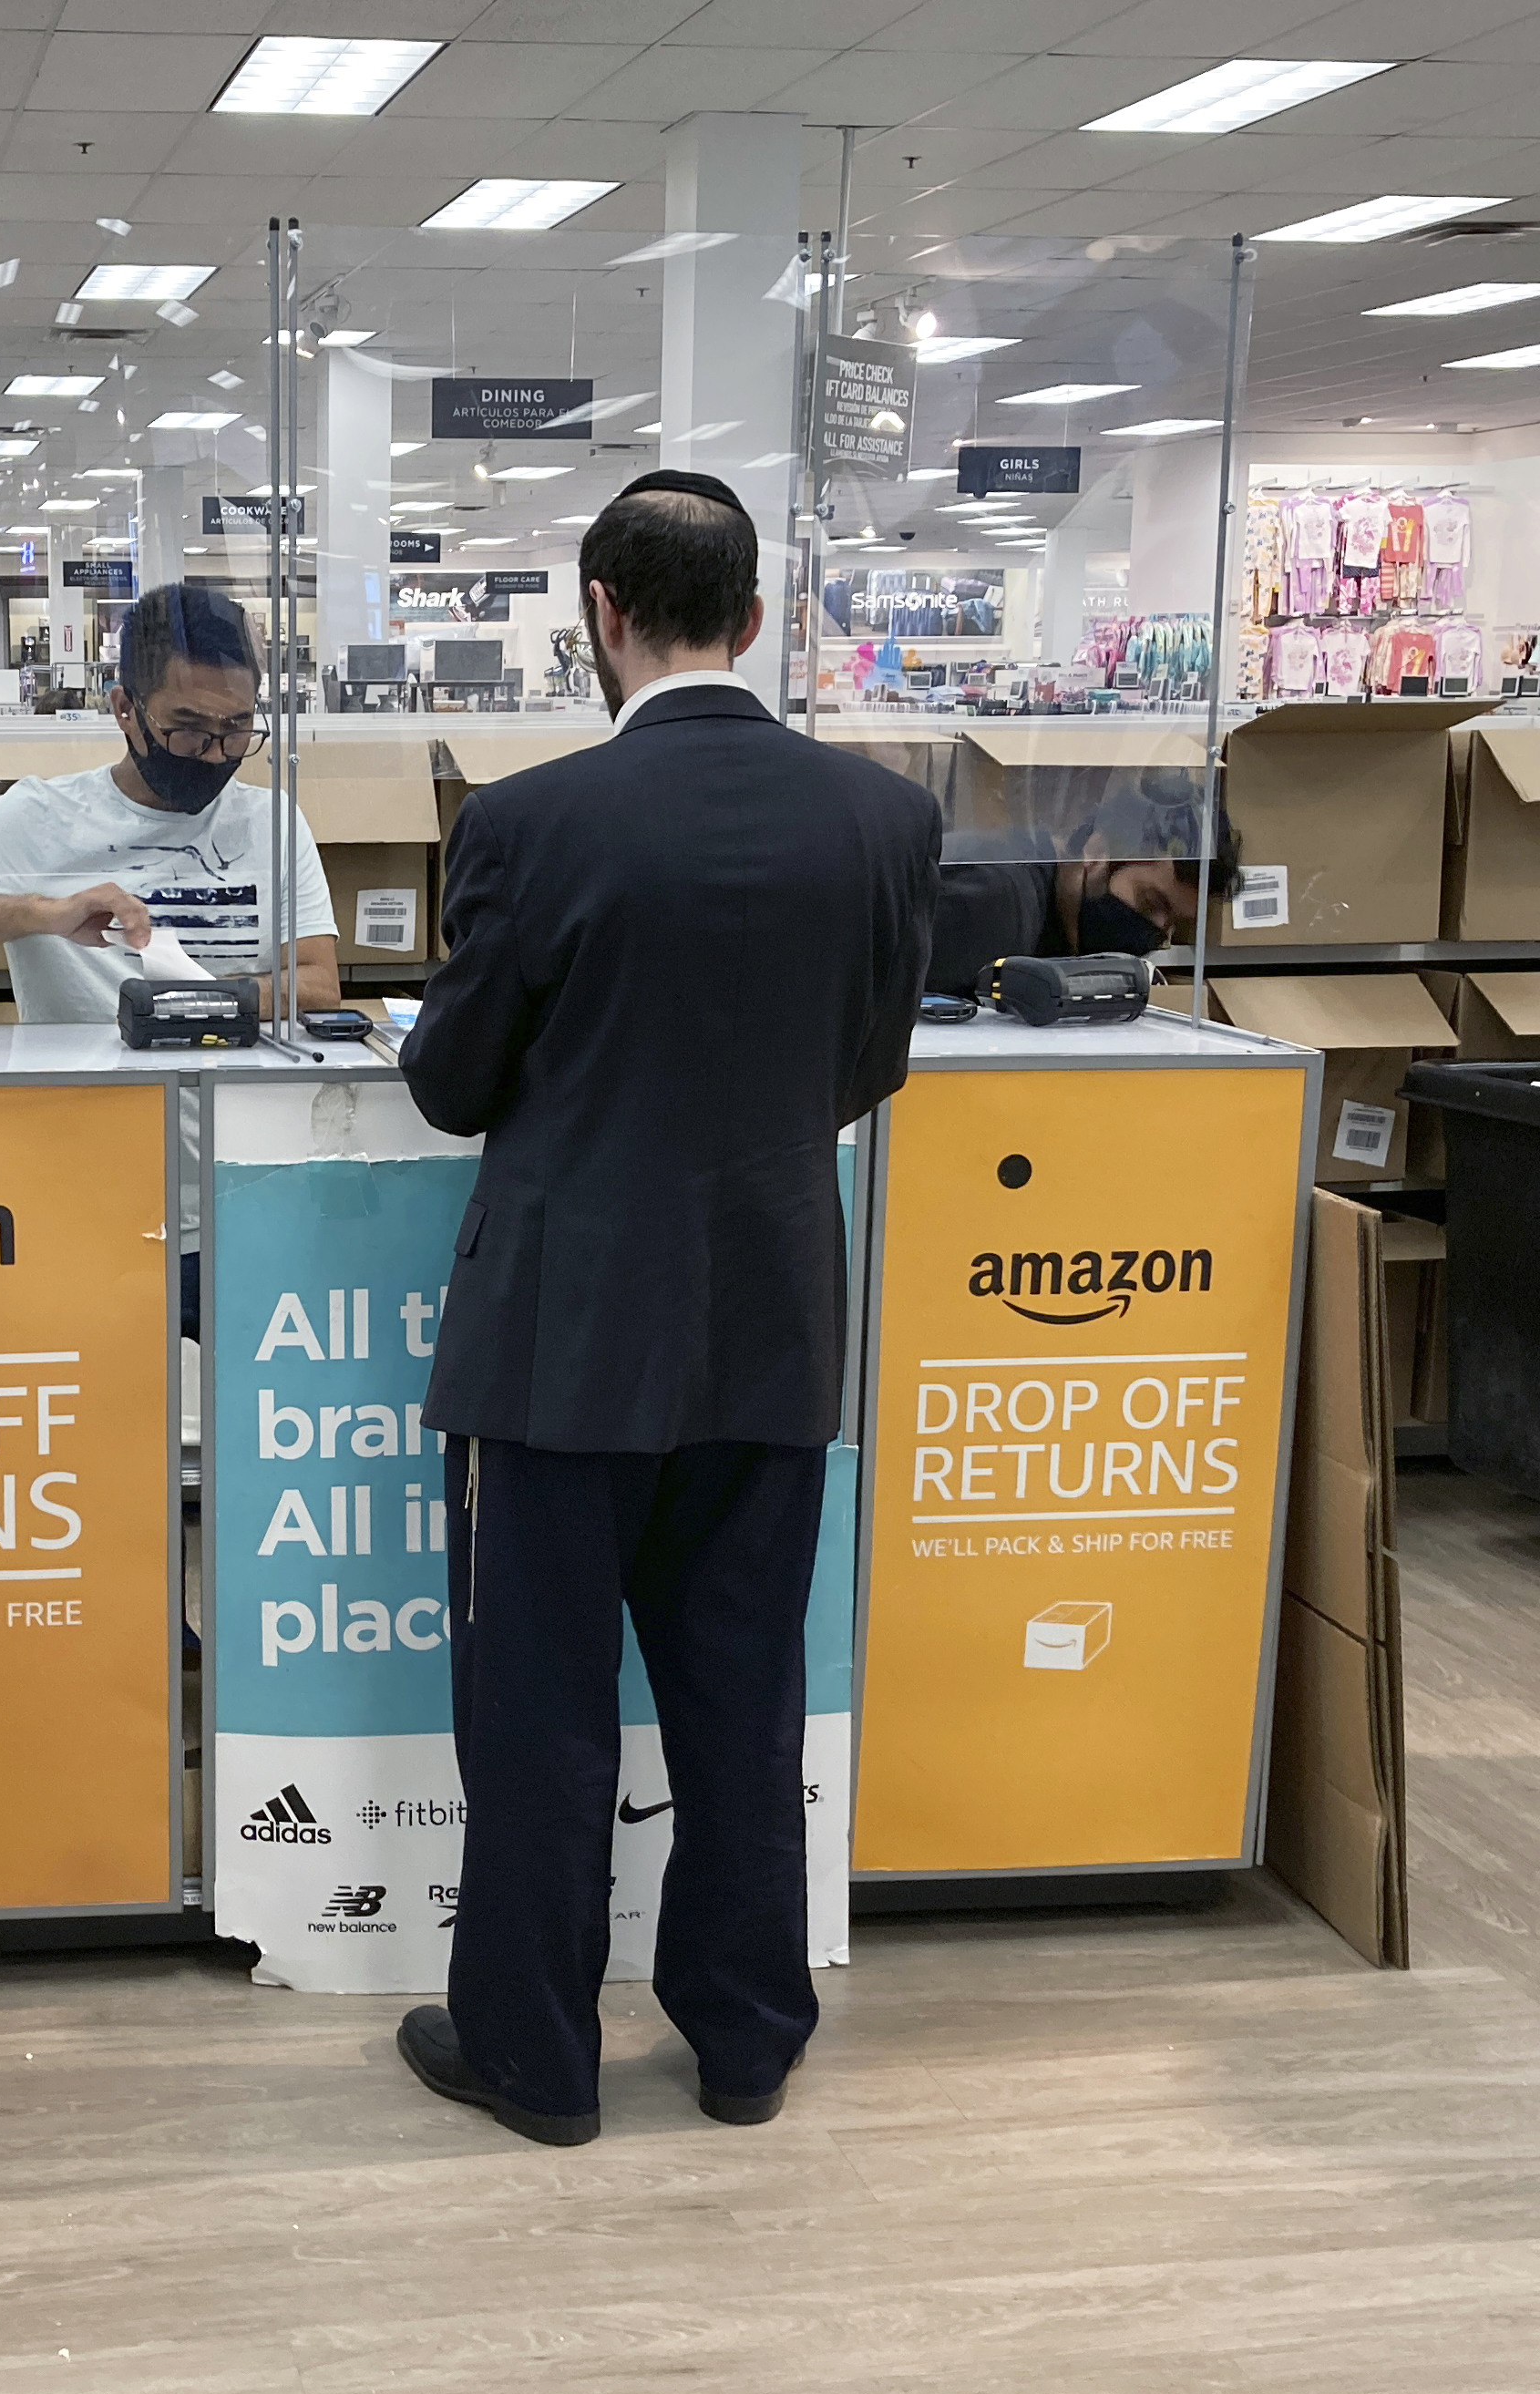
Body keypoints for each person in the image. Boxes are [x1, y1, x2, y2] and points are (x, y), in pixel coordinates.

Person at [391, 469, 941, 2148]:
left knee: (540, 1717)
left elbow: (452, 1079)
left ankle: (539, 2060)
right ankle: (745, 2039)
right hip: (770, 1323)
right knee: (739, 1693)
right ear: (758, 619)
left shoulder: (527, 821)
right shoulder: (881, 819)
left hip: (558, 1346)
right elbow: (869, 1066)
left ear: (598, 617)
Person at [0, 582, 337, 1021]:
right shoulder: (41, 815)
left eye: (236, 728)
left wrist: (195, 1003)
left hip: (236, 1105)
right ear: (126, 710)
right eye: (189, 730)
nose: (215, 753)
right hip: (92, 1103)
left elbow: (318, 984)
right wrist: (41, 914)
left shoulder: (271, 820)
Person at [921, 776, 1240, 1000]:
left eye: (1171, 924)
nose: (1156, 930)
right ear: (1097, 852)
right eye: (1151, 903)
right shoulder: (998, 906)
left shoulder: (1043, 903)